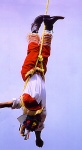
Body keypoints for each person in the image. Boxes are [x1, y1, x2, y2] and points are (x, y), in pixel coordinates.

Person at [0, 15, 64, 147]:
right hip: (40, 73)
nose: (36, 122)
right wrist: (38, 139)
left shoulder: (25, 106)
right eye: (35, 123)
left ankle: (35, 28)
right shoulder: (42, 114)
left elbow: (8, 103)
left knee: (34, 51)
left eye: (32, 122)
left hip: (29, 72)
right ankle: (49, 26)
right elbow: (38, 130)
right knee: (45, 52)